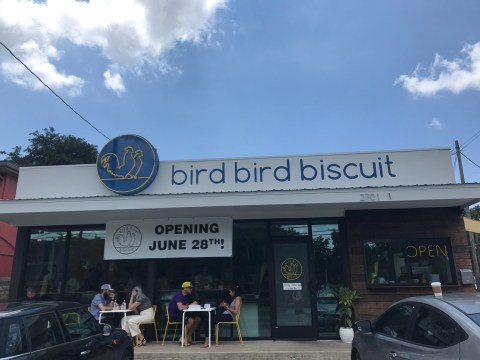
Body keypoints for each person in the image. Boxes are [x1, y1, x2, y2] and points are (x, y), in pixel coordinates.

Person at [168, 281, 201, 346]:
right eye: (189, 288)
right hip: (175, 314)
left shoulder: (187, 295)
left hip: (182, 313)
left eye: (191, 288)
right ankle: (182, 338)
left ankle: (188, 337)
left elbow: (186, 305)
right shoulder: (179, 295)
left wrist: (191, 305)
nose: (191, 289)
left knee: (198, 318)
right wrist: (190, 306)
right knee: (191, 320)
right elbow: (180, 307)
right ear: (185, 288)